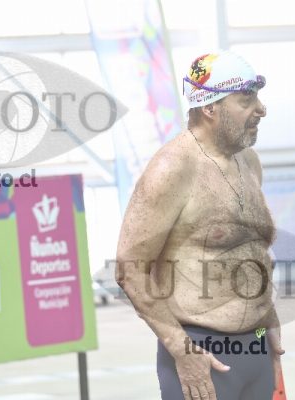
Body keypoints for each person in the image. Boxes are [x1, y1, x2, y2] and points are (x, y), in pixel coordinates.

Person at [115, 51, 283, 400]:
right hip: (203, 352)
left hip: (256, 347)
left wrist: (268, 317)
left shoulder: (248, 161)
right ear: (210, 107)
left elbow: (249, 249)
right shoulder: (172, 168)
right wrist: (182, 349)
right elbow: (130, 269)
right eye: (246, 100)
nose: (262, 109)